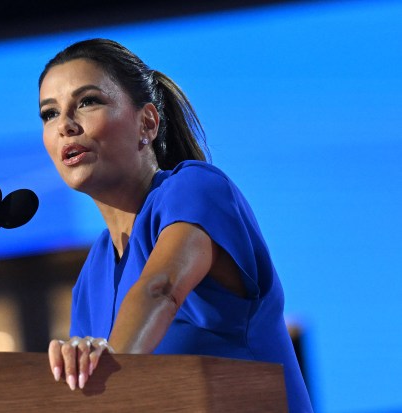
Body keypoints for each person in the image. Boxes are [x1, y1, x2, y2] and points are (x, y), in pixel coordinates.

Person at [38, 38, 313, 412]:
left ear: (147, 123)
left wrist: (111, 366)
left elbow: (161, 288)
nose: (65, 126)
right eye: (49, 113)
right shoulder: (93, 274)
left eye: (87, 102)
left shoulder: (195, 188)